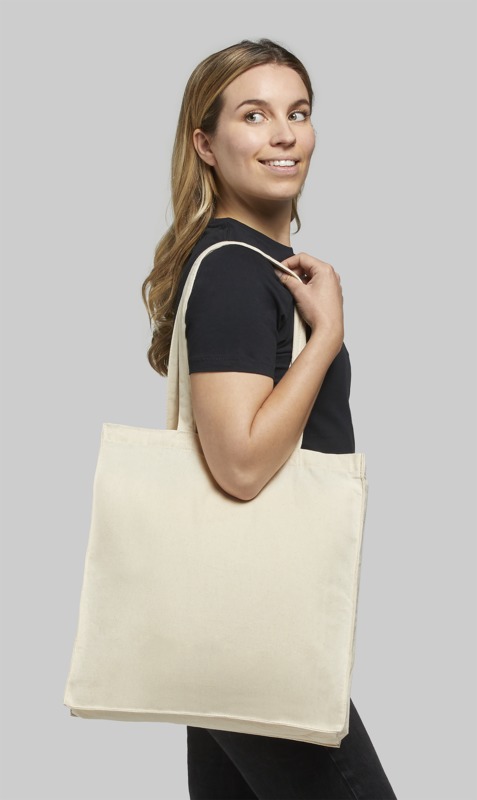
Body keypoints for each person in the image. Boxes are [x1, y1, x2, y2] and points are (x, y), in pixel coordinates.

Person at [142, 38, 397, 800]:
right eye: (253, 115)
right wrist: (325, 338)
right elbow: (241, 463)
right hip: (255, 629)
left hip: (229, 622)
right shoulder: (231, 271)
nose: (284, 134)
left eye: (298, 112)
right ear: (205, 144)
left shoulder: (256, 266)